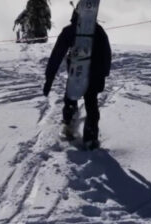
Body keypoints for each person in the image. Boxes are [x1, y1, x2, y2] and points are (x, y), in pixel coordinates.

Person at [43, 10, 111, 149]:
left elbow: (57, 54)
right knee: (91, 103)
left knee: (71, 98)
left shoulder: (70, 30)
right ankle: (90, 137)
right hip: (94, 75)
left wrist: (49, 78)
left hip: (76, 73)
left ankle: (69, 125)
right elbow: (106, 54)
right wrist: (103, 75)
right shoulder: (98, 30)